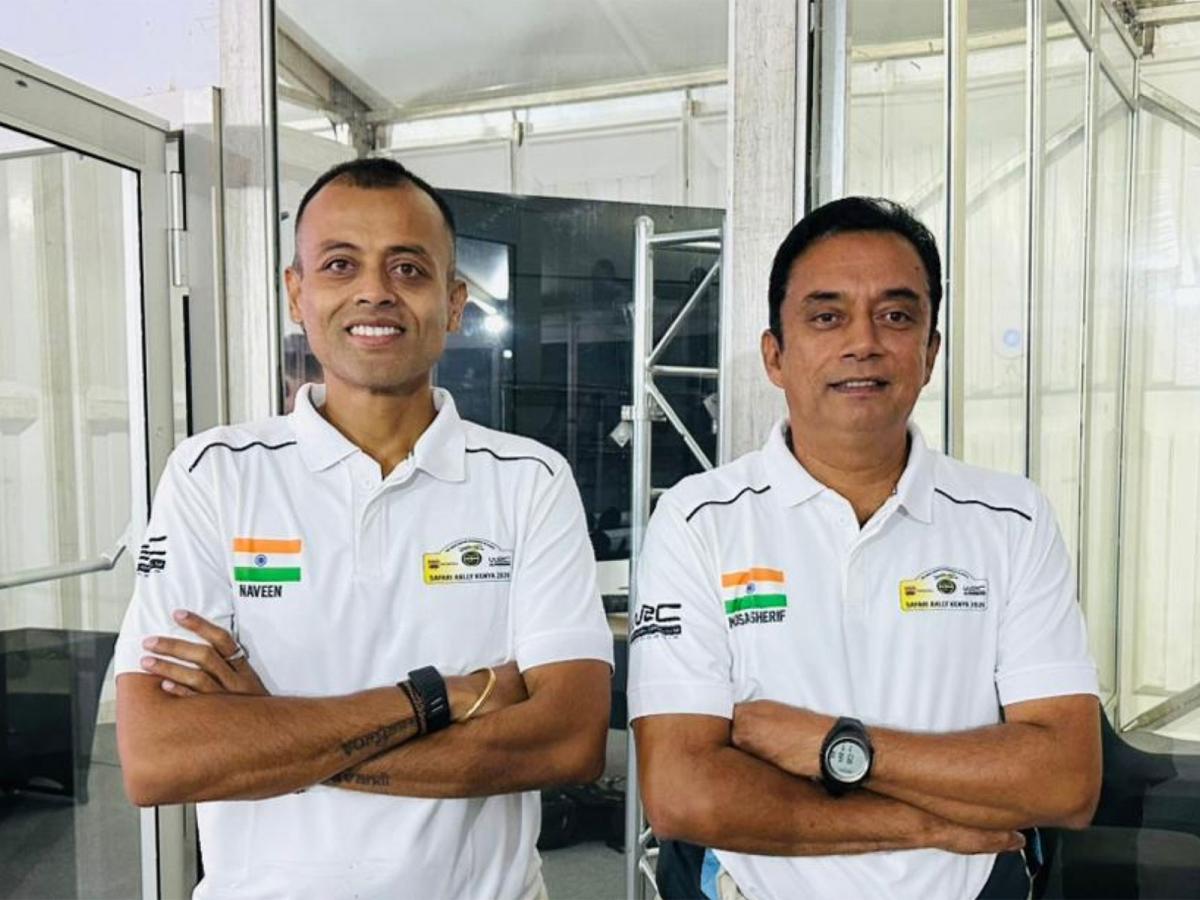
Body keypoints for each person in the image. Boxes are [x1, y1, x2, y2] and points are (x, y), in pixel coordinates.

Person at [114, 158, 614, 900]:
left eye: (408, 269)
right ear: (298, 293)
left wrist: (269, 735)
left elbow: (569, 741)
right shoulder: (214, 474)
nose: (375, 291)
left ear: (453, 303)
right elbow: (160, 760)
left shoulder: (528, 480)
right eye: (340, 264)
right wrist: (436, 698)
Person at [628, 197, 1102, 900]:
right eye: (827, 317)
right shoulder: (700, 520)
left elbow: (1065, 780)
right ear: (775, 355)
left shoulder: (1011, 519)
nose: (864, 342)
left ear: (930, 353)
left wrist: (830, 745)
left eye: (897, 316)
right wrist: (923, 823)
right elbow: (683, 793)